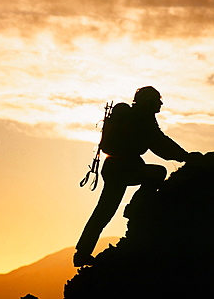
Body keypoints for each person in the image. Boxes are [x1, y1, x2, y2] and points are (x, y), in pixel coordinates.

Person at [73, 86, 190, 267]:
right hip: (125, 166)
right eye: (157, 100)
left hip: (113, 166)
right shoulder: (143, 118)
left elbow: (159, 142)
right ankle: (139, 207)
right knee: (158, 173)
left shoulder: (135, 115)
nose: (160, 103)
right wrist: (186, 157)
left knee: (104, 211)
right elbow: (160, 143)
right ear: (149, 102)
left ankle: (82, 253)